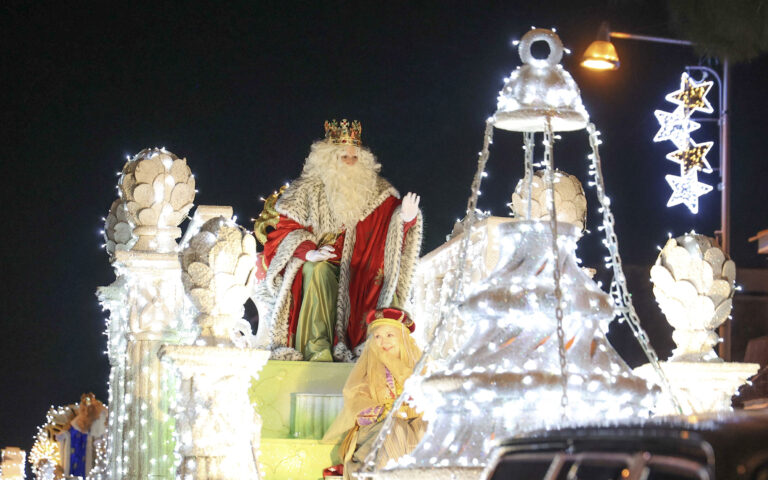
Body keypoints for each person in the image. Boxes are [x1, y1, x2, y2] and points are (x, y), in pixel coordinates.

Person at [257, 119, 422, 361]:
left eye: (354, 158)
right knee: (317, 270)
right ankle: (317, 349)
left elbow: (392, 226)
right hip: (319, 262)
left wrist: (407, 219)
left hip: (357, 271)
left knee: (375, 279)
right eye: (343, 157)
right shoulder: (306, 190)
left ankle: (370, 348)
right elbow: (284, 231)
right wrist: (308, 251)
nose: (349, 163)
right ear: (327, 158)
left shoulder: (377, 193)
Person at [323, 307, 425, 479]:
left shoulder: (421, 366)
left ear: (403, 339)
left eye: (390, 335)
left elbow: (431, 402)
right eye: (377, 336)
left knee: (426, 431)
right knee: (394, 429)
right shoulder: (368, 367)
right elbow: (355, 400)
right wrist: (388, 411)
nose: (383, 341)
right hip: (374, 430)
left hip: (413, 424)